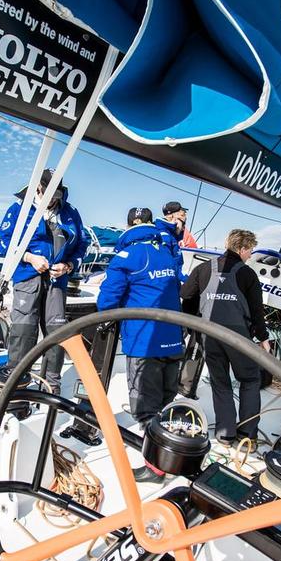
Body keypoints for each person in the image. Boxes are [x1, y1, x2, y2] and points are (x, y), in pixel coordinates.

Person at [98, 207, 184, 483]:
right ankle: (172, 457)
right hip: (173, 340)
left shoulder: (127, 256)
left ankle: (156, 468)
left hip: (144, 343)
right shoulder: (168, 252)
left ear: (129, 226)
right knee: (165, 403)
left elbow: (107, 301)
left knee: (146, 411)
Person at [0, 169, 90, 394]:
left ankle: (50, 388)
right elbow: (3, 243)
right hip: (28, 277)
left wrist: (68, 265)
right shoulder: (19, 209)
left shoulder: (70, 212)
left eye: (56, 197)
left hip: (57, 281)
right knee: (24, 329)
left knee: (56, 332)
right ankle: (16, 388)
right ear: (38, 188)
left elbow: (81, 245)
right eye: (48, 196)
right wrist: (29, 257)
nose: (52, 202)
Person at [181, 229, 271, 447]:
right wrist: (263, 338)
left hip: (209, 335)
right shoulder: (247, 274)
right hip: (237, 337)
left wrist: (194, 323)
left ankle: (225, 434)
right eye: (249, 250)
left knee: (220, 383)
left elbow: (186, 295)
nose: (250, 255)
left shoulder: (203, 269)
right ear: (241, 249)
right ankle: (247, 435)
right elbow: (257, 311)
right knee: (249, 380)